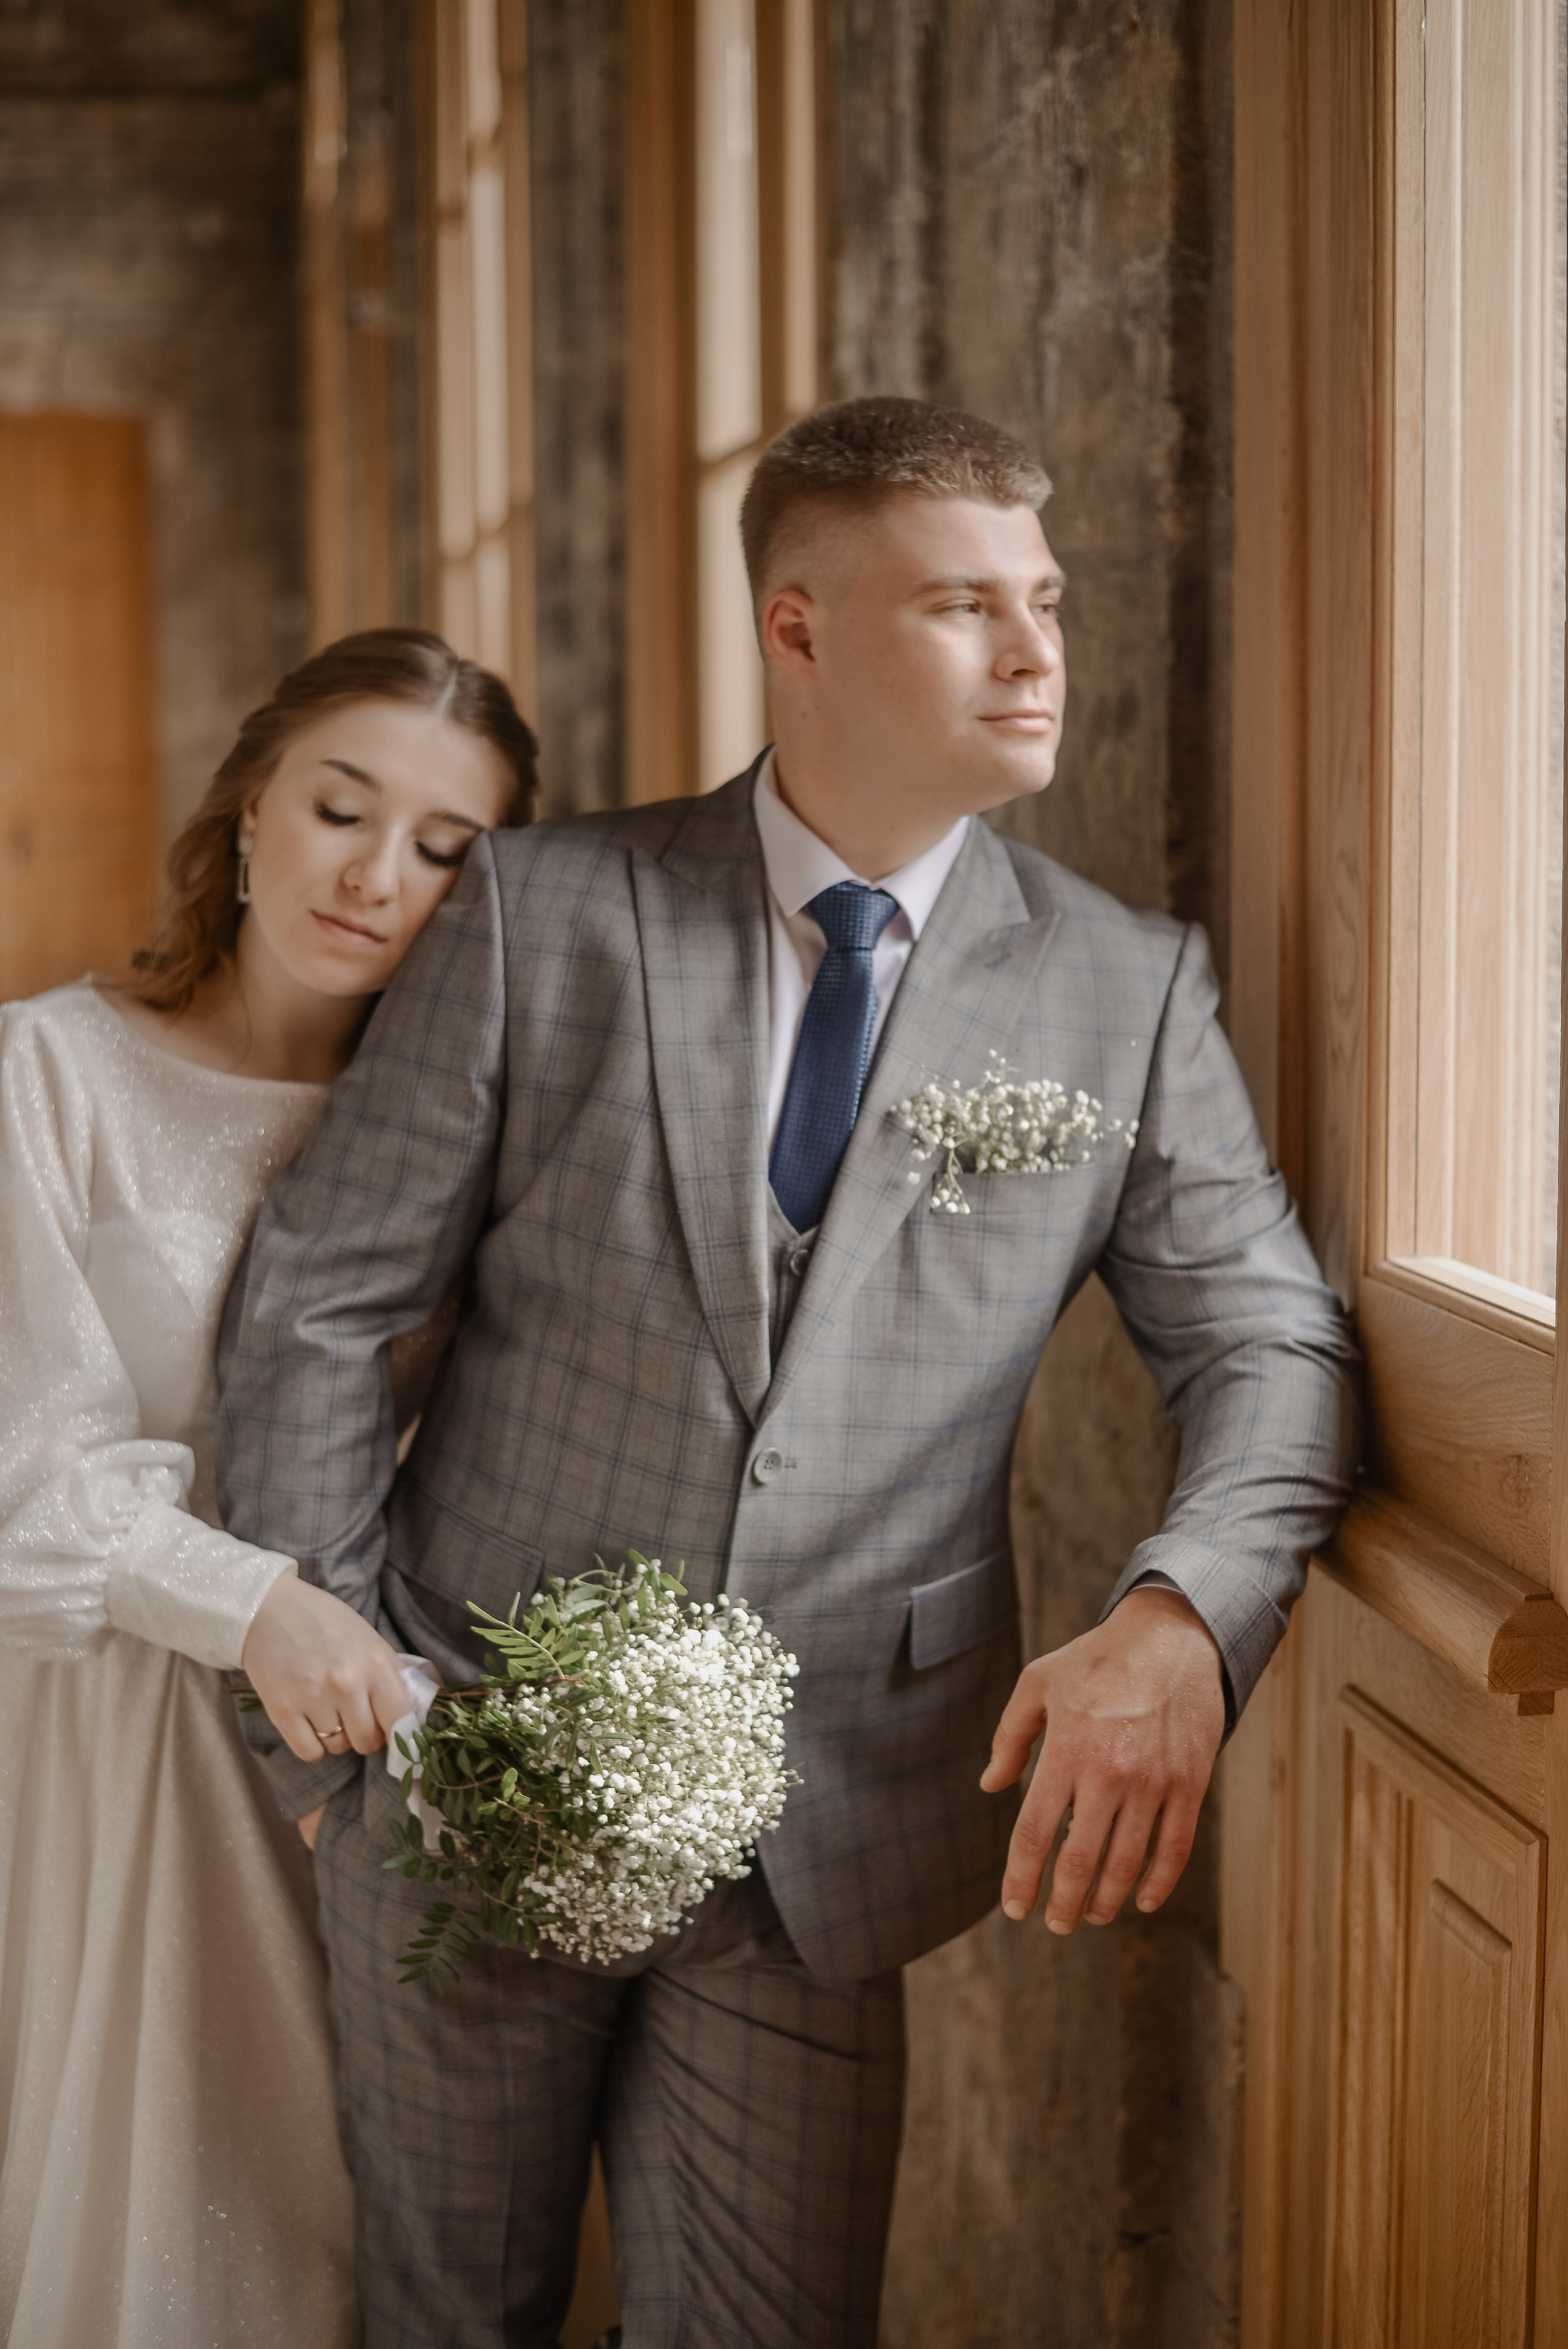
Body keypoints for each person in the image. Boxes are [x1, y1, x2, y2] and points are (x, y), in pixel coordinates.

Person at [216, 399, 1362, 2349]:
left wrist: (1185, 1613)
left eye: (1046, 600)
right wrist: (335, 1754)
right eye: (962, 604)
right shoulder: (546, 911)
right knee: (442, 2316)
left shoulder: (1124, 982)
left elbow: (1271, 1338)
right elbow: (320, 1300)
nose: (1034, 651)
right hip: (462, 1775)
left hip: (830, 1831)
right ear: (801, 626)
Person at [0, 627, 534, 2347]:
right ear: (248, 808)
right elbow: (17, 1475)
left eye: (446, 850)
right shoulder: (46, 1075)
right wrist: (250, 1604)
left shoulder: (477, 1131)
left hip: (384, 1751)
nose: (378, 877)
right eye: (340, 808)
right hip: (120, 1749)